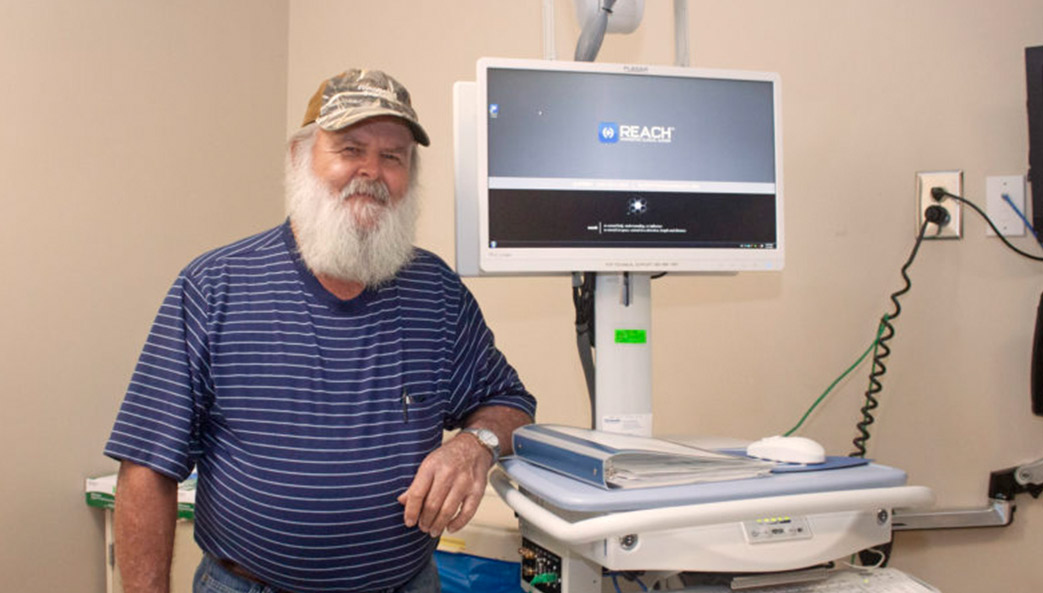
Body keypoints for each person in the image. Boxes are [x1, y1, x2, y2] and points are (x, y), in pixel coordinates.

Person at [104, 69, 536, 593]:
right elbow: (148, 465)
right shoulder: (214, 287)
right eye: (349, 148)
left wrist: (474, 444)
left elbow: (509, 403)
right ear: (299, 158)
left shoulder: (437, 293)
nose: (371, 172)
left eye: (392, 156)